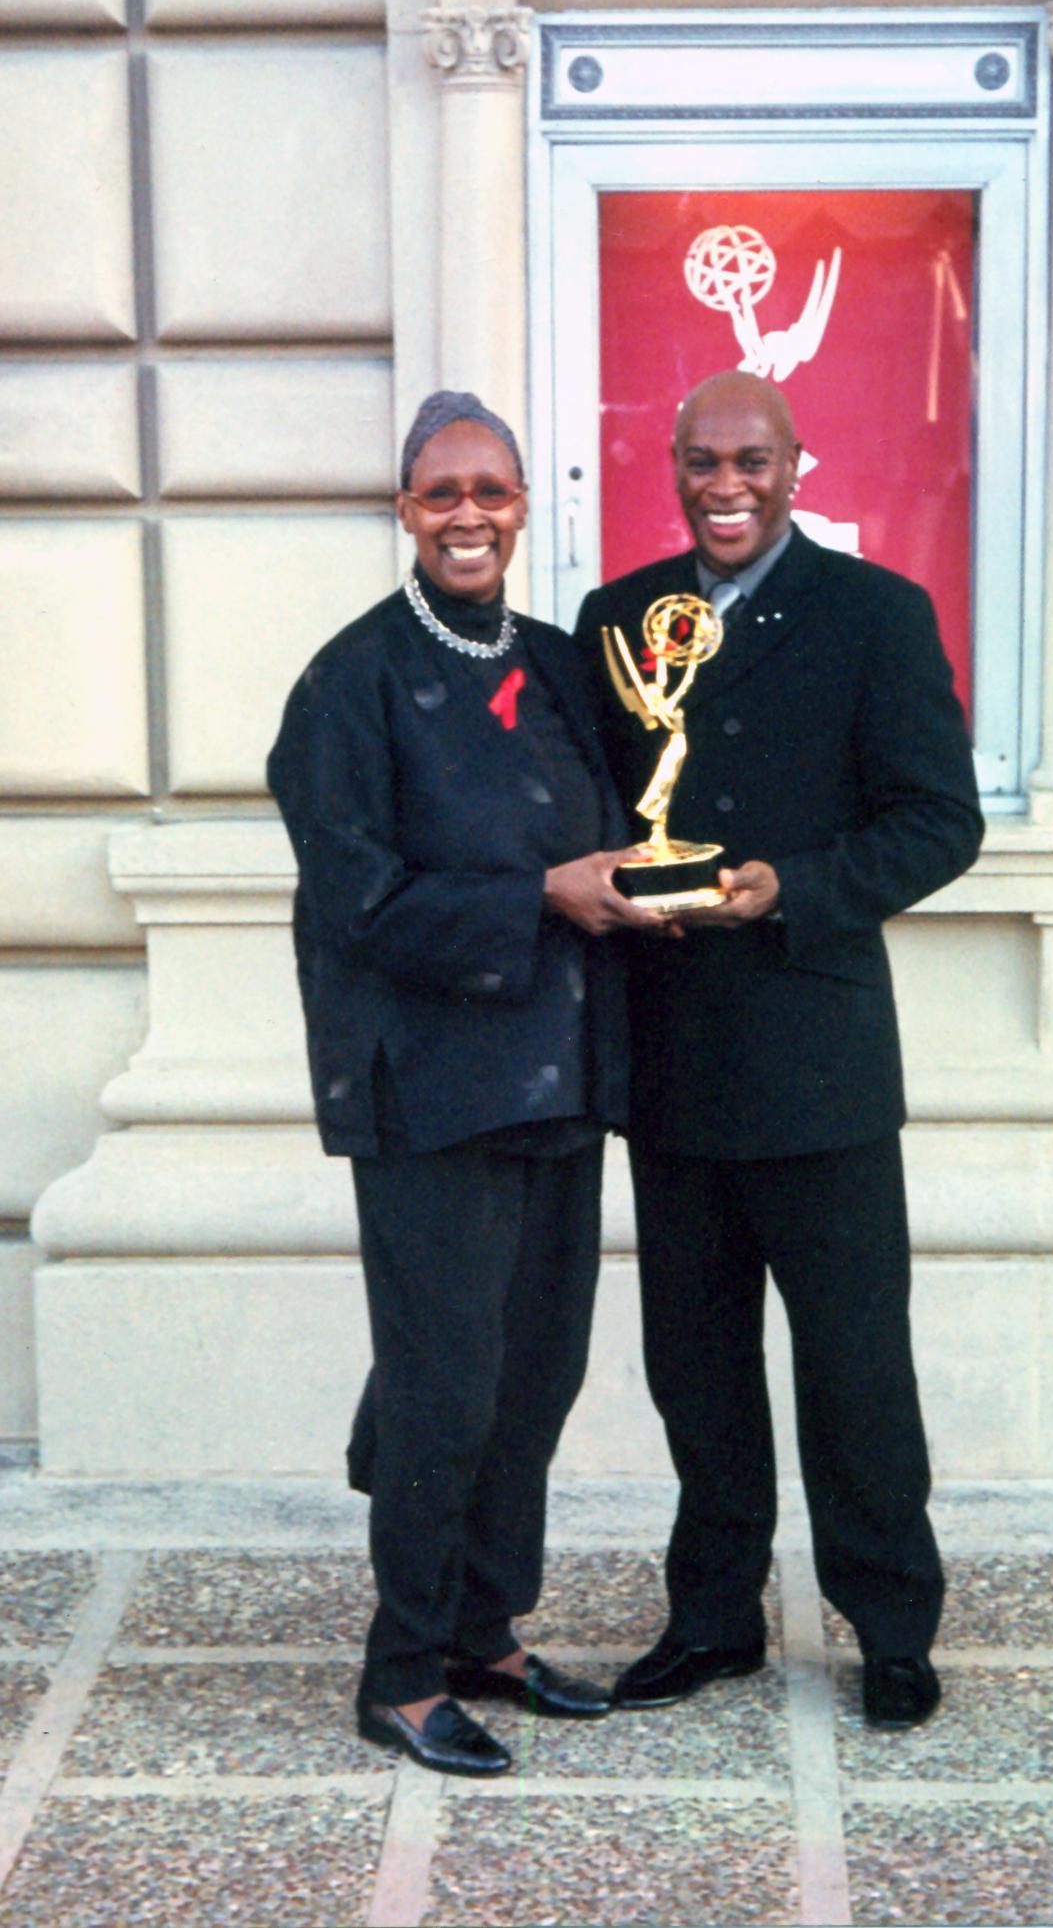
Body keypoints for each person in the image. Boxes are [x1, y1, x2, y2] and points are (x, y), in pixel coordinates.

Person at [575, 370, 984, 1731]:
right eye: (699, 457)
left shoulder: (877, 614)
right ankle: (711, 1620)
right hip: (673, 1062)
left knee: (858, 1368)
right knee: (695, 1368)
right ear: (672, 466)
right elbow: (589, 809)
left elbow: (939, 821)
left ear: (797, 465)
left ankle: (894, 1629)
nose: (723, 480)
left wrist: (789, 883)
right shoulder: (620, 621)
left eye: (750, 456)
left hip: (821, 1068)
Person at [268, 390, 662, 1778]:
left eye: (490, 490)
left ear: (520, 506)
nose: (469, 514)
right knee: (443, 1387)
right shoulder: (346, 683)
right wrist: (544, 893)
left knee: (536, 1374)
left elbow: (617, 827)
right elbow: (359, 899)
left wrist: (650, 885)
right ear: (404, 510)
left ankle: (485, 1628)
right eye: (441, 492)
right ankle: (400, 1669)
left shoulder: (558, 667)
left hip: (561, 1073)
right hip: (430, 1085)